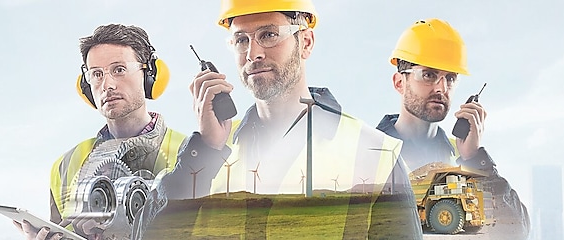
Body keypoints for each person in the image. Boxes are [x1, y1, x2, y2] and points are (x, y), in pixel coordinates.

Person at [140, 0, 424, 239]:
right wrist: (205, 151)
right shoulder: (209, 152)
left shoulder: (374, 153)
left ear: (306, 43)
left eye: (269, 35)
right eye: (241, 40)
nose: (253, 54)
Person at [12, 23, 188, 240]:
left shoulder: (192, 153)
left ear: (150, 74)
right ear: (86, 87)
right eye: (96, 74)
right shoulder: (65, 166)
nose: (107, 85)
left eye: (119, 70)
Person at [376, 18, 530, 238]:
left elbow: (515, 232)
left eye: (450, 78)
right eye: (429, 75)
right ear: (400, 82)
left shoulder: (463, 157)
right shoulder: (368, 150)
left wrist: (475, 158)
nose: (442, 87)